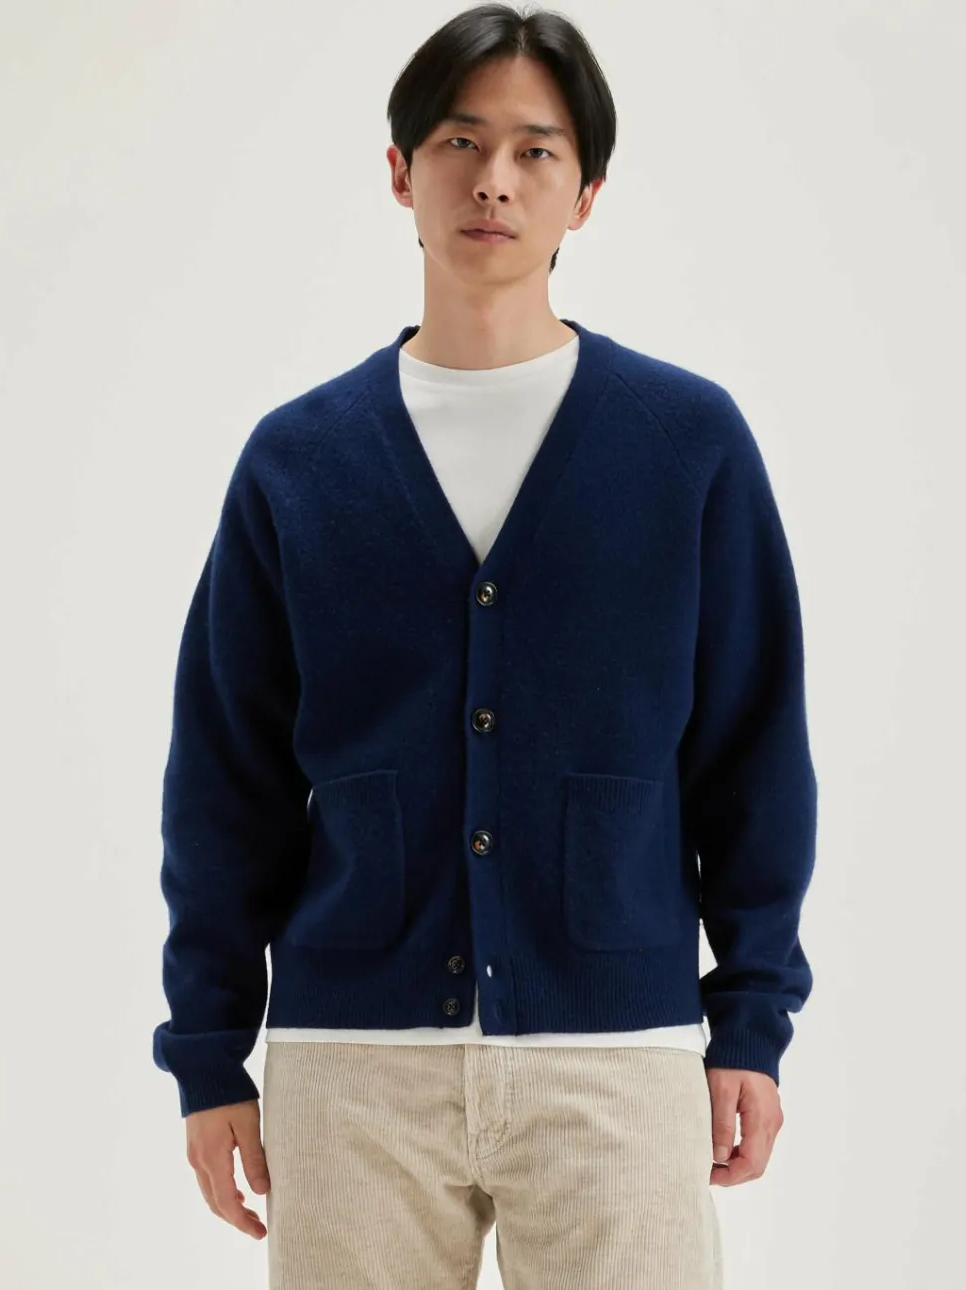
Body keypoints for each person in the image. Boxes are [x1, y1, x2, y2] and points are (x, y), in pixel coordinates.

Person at [151, 5, 818, 1286]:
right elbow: (226, 778)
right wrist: (207, 1051)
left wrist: (750, 1016)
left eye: (534, 150)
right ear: (400, 172)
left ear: (586, 193)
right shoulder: (299, 463)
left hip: (615, 1059)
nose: (494, 180)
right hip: (352, 1070)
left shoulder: (685, 446)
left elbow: (753, 750)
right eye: (459, 142)